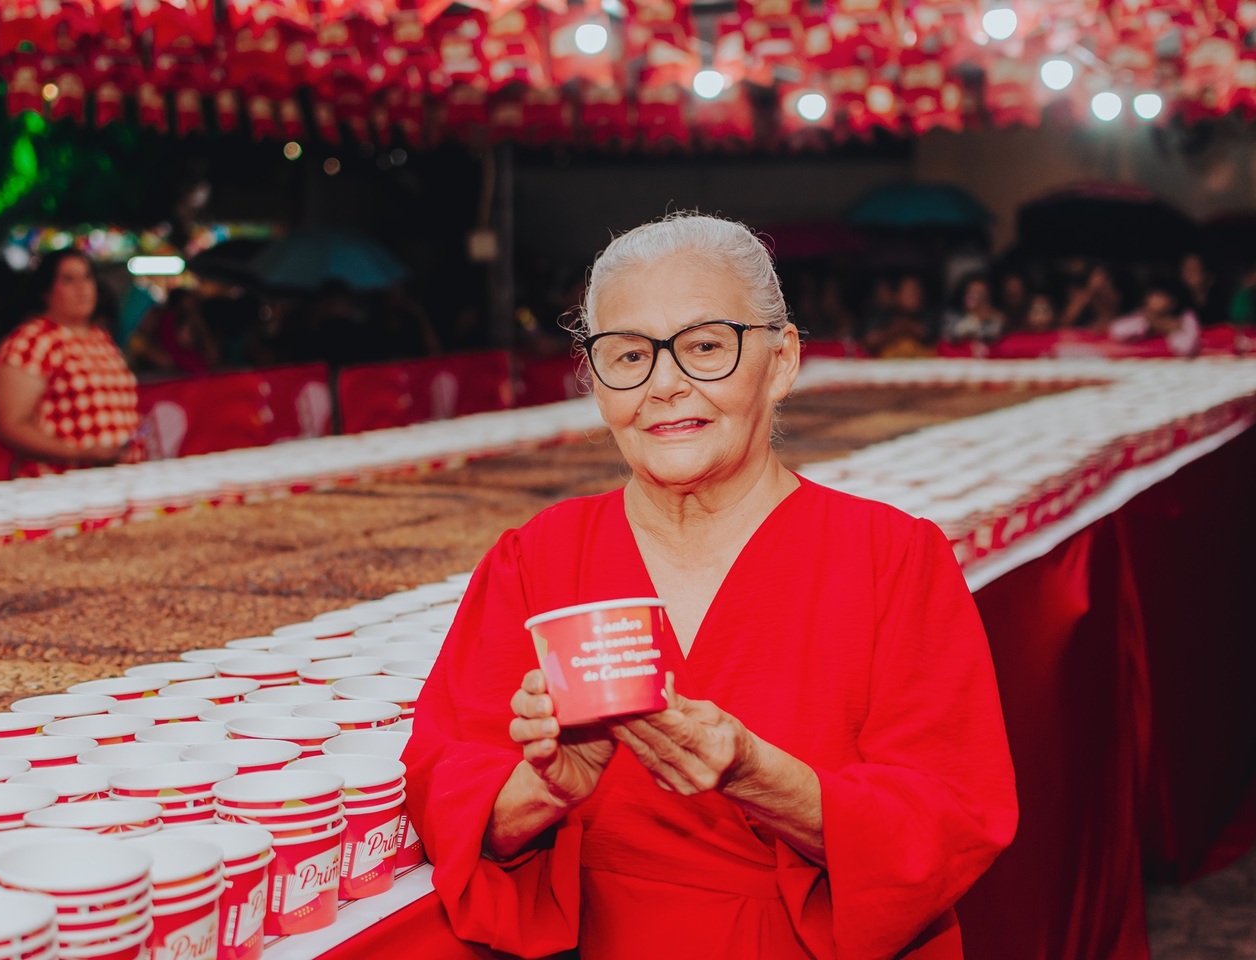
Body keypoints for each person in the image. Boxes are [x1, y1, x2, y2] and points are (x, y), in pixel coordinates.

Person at [405, 214, 1018, 960]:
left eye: (704, 347)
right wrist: (548, 789)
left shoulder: (891, 557)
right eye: (628, 355)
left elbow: (949, 820)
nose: (664, 385)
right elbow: (447, 788)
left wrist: (756, 774)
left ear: (782, 360)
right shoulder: (538, 558)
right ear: (594, 381)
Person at [0, 249, 144, 476]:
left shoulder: (100, 338)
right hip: (60, 483)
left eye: (87, 277)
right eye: (68, 279)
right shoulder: (31, 341)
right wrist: (80, 453)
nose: (82, 288)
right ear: (47, 291)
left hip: (117, 481)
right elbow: (10, 425)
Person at [1109, 285, 1201, 357]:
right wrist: (1150, 326)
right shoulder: (1142, 316)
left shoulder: (1185, 317)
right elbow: (1116, 331)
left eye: (1159, 296)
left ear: (1173, 301)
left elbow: (1186, 349)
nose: (1153, 300)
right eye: (1151, 295)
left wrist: (1171, 330)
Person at [942, 274, 1005, 344]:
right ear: (963, 295)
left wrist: (985, 318)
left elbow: (993, 336)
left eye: (981, 294)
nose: (976, 298)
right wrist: (974, 318)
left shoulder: (995, 318)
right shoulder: (952, 316)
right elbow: (950, 335)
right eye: (972, 293)